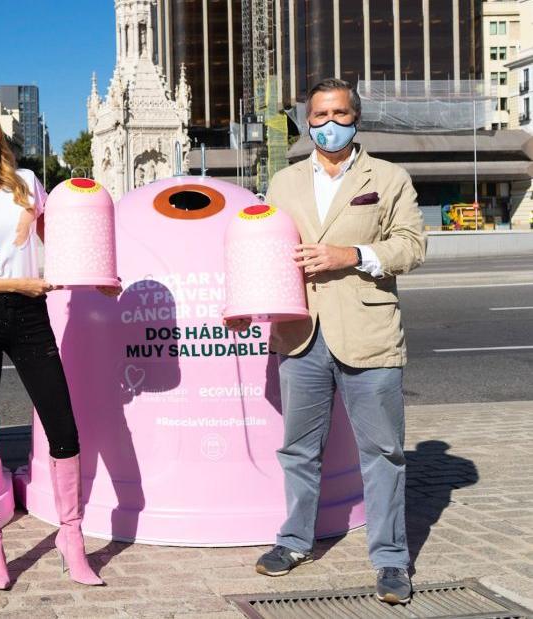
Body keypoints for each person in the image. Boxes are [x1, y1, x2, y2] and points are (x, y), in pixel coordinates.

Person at [226, 78, 426, 605]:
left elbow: (411, 246)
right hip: (299, 334)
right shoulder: (283, 182)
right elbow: (264, 251)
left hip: (369, 333)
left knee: (383, 453)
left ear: (356, 118)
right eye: (320, 115)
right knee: (298, 450)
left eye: (340, 114)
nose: (330, 124)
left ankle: (390, 560)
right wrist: (246, 305)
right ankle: (294, 541)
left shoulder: (387, 177)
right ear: (306, 120)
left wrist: (352, 255)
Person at [0, 101, 119, 590]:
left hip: (31, 317)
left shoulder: (28, 184)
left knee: (63, 428)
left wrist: (98, 278)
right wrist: (18, 286)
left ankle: (70, 538)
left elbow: (60, 243)